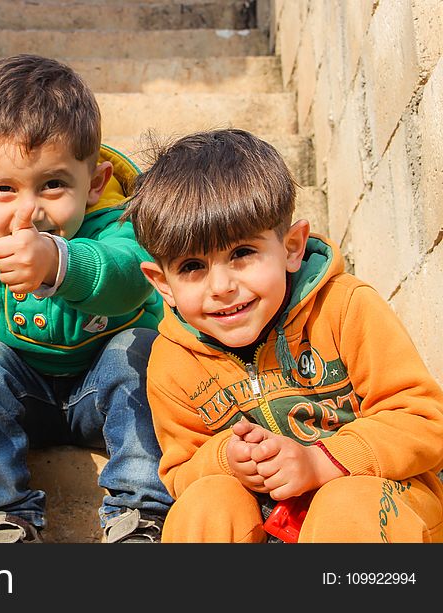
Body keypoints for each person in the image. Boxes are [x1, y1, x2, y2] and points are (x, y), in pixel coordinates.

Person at [123, 128, 443, 542]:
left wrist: (322, 461)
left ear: (292, 247)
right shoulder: (173, 359)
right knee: (206, 502)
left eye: (241, 253)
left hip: (375, 504)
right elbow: (180, 470)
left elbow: (422, 420)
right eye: (191, 267)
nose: (220, 286)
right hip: (260, 517)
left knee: (347, 504)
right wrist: (227, 460)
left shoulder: (345, 308)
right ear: (162, 283)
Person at [0, 54, 173, 543]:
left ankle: (140, 510)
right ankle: (4, 514)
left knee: (140, 349)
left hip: (105, 397)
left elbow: (128, 279)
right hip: (19, 398)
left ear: (95, 183)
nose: (28, 211)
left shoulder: (122, 225)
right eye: (3, 189)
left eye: (53, 184)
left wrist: (60, 263)